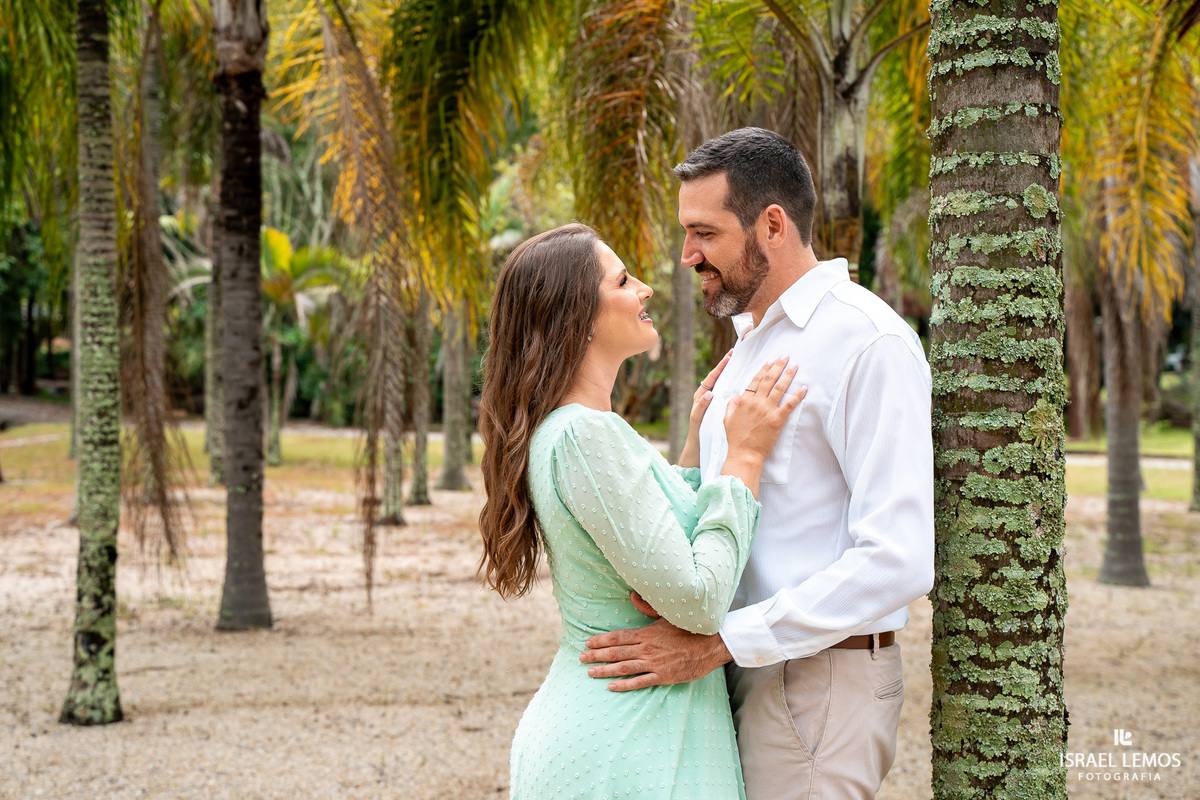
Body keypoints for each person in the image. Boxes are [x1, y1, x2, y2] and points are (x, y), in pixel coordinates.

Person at [579, 128, 935, 799]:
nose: (686, 256)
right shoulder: (746, 348)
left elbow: (900, 558)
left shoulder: (867, 341)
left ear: (772, 224)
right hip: (738, 671)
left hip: (816, 685)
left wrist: (720, 644)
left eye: (704, 233)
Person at [477, 222, 806, 798]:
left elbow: (642, 536)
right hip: (629, 745)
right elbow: (699, 599)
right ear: (575, 316)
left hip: (625, 730)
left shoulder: (577, 431)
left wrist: (694, 446)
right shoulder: (585, 436)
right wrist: (746, 458)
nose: (647, 287)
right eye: (624, 280)